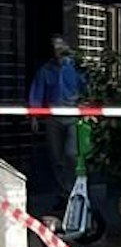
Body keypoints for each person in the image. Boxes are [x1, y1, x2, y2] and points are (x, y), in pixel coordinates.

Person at [28, 36, 87, 212]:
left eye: (61, 47)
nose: (58, 51)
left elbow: (86, 86)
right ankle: (64, 193)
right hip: (53, 116)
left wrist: (87, 103)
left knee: (71, 154)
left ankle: (76, 190)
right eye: (55, 48)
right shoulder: (45, 70)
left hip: (72, 114)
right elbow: (37, 92)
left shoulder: (74, 67)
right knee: (56, 158)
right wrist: (34, 115)